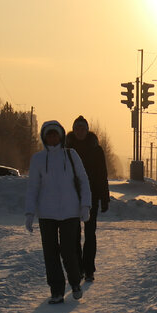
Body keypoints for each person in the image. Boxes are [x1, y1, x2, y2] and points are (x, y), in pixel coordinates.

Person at [25, 120, 91, 304]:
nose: (52, 138)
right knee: (50, 253)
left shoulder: (71, 155)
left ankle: (75, 282)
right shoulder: (38, 159)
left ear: (61, 136)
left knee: (69, 250)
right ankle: (56, 290)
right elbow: (33, 187)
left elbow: (83, 180)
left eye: (55, 134)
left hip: (70, 211)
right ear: (44, 137)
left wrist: (85, 205)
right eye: (49, 134)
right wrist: (29, 212)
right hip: (47, 213)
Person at [64, 115, 110, 282]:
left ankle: (89, 268)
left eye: (82, 129)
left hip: (91, 196)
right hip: (71, 196)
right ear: (74, 130)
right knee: (74, 234)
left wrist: (105, 198)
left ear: (87, 130)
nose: (80, 132)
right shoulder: (67, 150)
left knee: (90, 233)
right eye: (77, 129)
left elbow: (102, 175)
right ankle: (78, 268)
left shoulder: (96, 149)